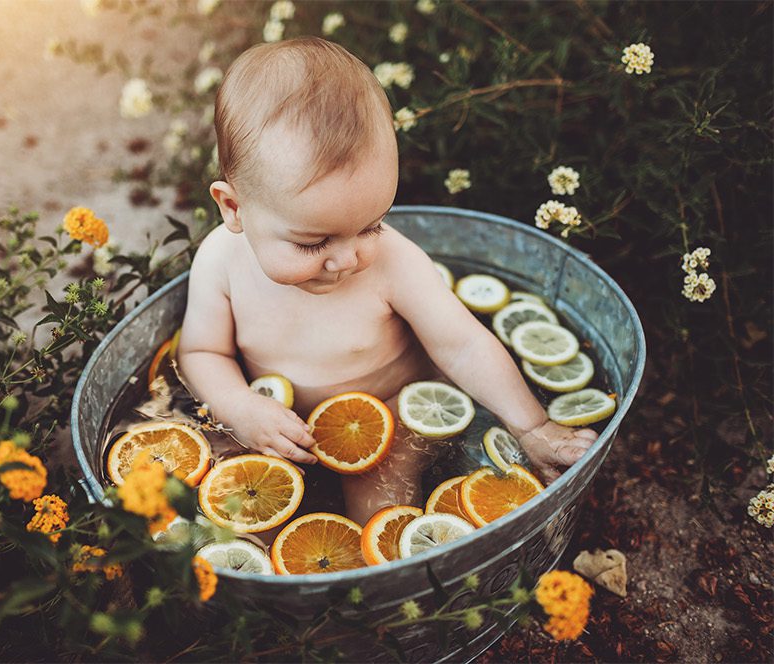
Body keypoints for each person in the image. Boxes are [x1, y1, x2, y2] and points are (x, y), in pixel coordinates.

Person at [176, 37, 595, 520]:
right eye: (313, 243)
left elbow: (462, 345)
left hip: (395, 406)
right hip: (276, 412)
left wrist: (532, 426)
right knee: (220, 485)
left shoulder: (394, 261)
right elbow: (203, 352)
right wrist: (238, 407)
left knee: (379, 494)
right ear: (234, 207)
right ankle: (268, 579)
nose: (348, 259)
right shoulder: (218, 261)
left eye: (371, 225)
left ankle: (387, 583)